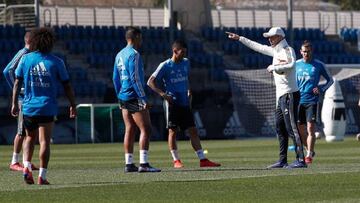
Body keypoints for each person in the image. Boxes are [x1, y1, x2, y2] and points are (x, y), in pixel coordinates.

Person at [226, 27, 306, 168]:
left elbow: (291, 64)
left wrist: (274, 67)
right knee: (280, 128)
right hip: (281, 97)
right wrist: (240, 38)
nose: (269, 39)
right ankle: (283, 160)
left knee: (291, 128)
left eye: (272, 36)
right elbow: (258, 47)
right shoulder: (275, 51)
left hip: (290, 95)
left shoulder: (288, 50)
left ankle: (301, 160)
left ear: (280, 37)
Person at [11, 27, 77, 185]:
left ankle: (26, 167)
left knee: (29, 137)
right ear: (49, 42)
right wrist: (73, 105)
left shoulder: (26, 59)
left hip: (28, 106)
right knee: (45, 141)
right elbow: (67, 85)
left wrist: (14, 103)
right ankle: (42, 175)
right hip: (47, 106)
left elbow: (17, 82)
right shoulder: (56, 61)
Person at [147, 40, 221, 168]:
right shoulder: (165, 65)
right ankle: (176, 160)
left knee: (193, 130)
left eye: (185, 52)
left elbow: (186, 79)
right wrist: (162, 94)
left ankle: (203, 160)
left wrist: (188, 89)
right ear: (175, 51)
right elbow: (150, 82)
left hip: (185, 102)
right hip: (172, 104)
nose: (184, 54)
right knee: (173, 131)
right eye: (182, 52)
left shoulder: (186, 62)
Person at [113, 27, 160, 173]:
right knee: (146, 128)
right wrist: (142, 98)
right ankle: (144, 164)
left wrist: (119, 94)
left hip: (123, 96)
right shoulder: (134, 54)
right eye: (141, 37)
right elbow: (135, 78)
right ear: (137, 37)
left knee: (129, 129)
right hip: (134, 95)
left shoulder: (119, 54)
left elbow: (115, 78)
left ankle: (128, 164)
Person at [3, 32, 38, 172]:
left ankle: (25, 162)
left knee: (27, 131)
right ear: (32, 41)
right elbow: (8, 71)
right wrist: (17, 90)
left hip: (27, 98)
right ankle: (14, 161)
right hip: (22, 99)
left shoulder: (30, 55)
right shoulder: (23, 53)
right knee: (21, 131)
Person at [296, 40, 333, 164]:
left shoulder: (319, 65)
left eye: (308, 51)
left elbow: (330, 80)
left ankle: (309, 155)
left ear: (312, 51)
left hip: (312, 100)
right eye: (304, 51)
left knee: (310, 127)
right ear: (300, 52)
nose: (306, 53)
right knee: (300, 130)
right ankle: (309, 149)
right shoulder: (296, 65)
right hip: (298, 101)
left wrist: (321, 89)